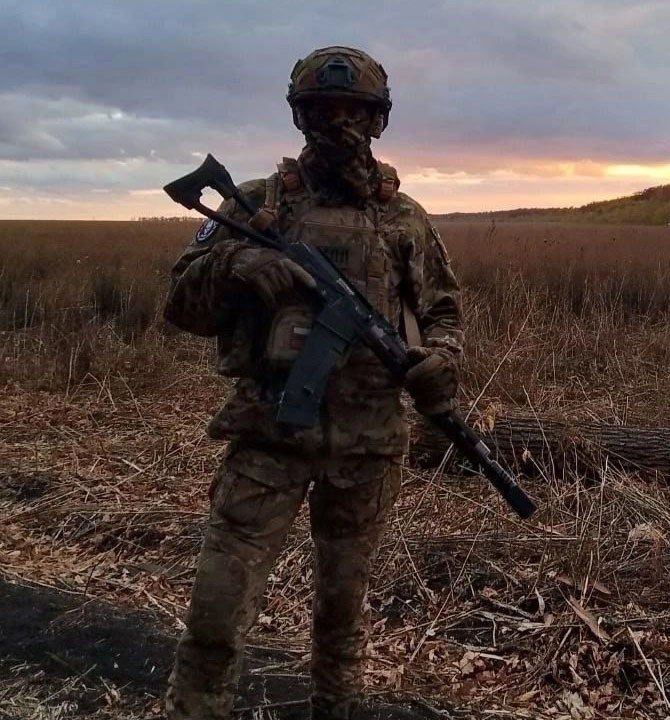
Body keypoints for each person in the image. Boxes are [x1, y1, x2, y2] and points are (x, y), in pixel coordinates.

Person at [162, 46, 462, 720]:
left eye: (354, 111)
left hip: (368, 447)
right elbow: (180, 308)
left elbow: (444, 310)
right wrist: (236, 263)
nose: (338, 123)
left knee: (341, 620)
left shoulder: (404, 216)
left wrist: (442, 359)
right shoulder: (258, 208)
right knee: (215, 612)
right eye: (323, 110)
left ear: (377, 120)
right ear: (299, 116)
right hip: (267, 437)